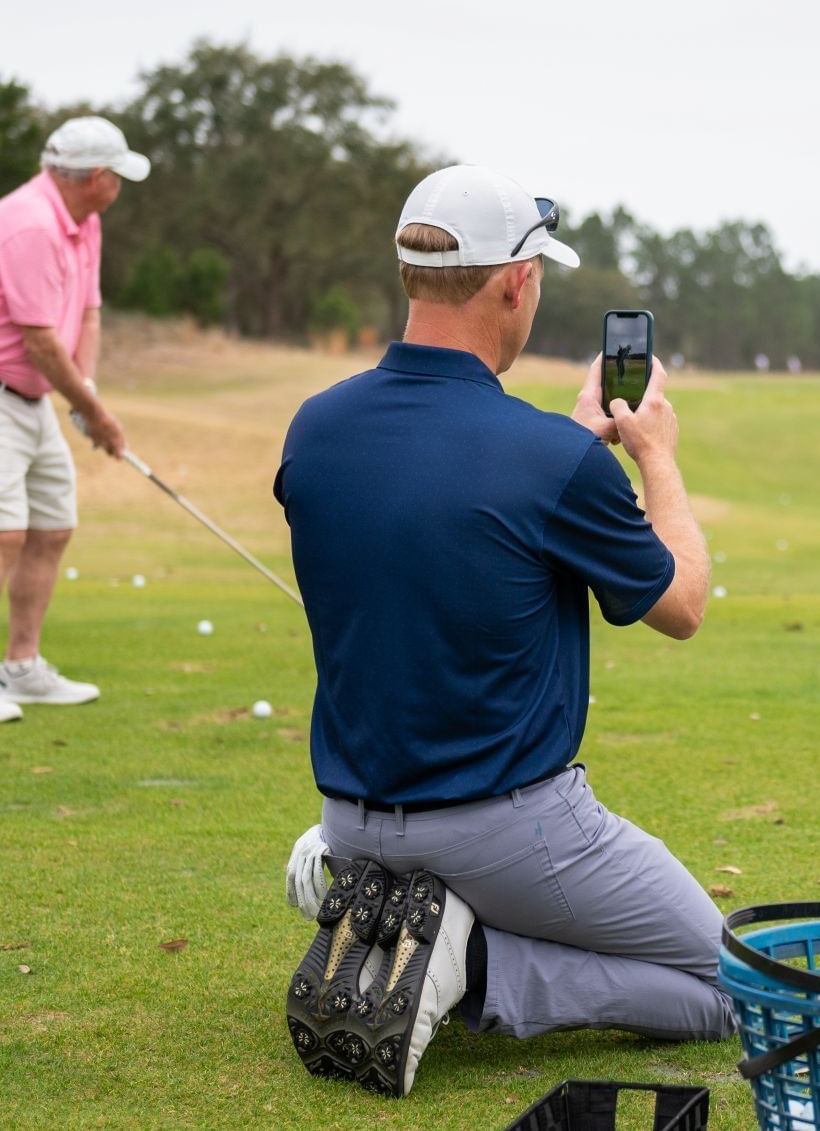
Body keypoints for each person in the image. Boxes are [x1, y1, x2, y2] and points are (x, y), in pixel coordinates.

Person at [275, 165, 723, 1098]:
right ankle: (472, 966)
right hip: (504, 827)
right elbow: (681, 604)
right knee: (733, 982)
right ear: (515, 282)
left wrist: (569, 449)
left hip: (352, 817)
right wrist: (659, 460)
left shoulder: (314, 430)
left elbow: (442, 509)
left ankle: (351, 890)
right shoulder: (549, 461)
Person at [0, 117, 148, 724]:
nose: (120, 188)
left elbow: (87, 316)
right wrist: (96, 415)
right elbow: (41, 342)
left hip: (25, 394)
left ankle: (20, 666)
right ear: (96, 177)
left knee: (51, 523)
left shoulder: (83, 223)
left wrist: (85, 397)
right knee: (2, 530)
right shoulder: (31, 227)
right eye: (117, 177)